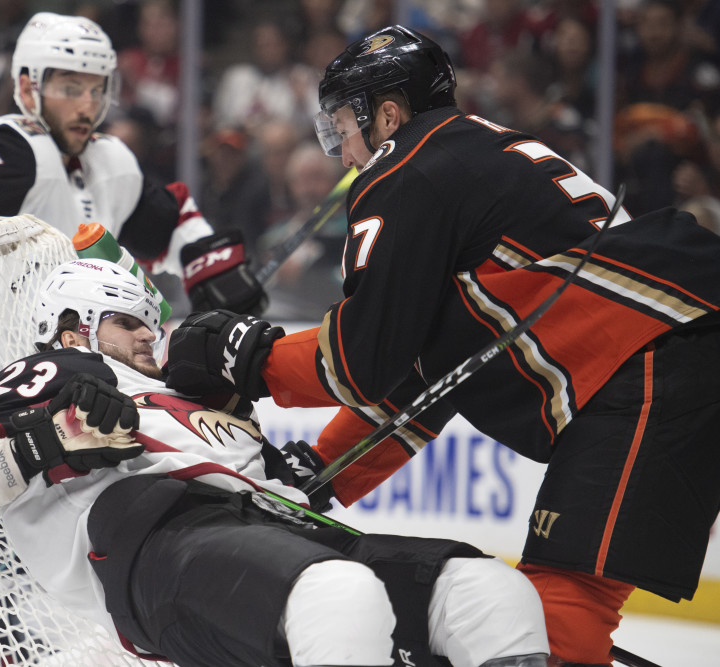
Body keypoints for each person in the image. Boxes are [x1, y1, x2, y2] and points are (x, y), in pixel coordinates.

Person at [164, 26, 720, 667]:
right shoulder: (464, 157)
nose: (342, 151)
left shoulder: (406, 168)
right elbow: (426, 369)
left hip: (660, 357)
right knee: (555, 604)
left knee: (564, 607)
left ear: (388, 115)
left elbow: (360, 358)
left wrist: (246, 357)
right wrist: (325, 471)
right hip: (670, 346)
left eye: (342, 125)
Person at [0, 257, 549, 667]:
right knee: (337, 596)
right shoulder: (58, 369)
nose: (151, 334)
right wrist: (45, 441)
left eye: (153, 322)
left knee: (486, 591)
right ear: (74, 329)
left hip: (274, 537)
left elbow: (273, 490)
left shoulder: (190, 399)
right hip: (152, 545)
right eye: (129, 322)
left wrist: (281, 471)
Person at [0, 11, 266, 317]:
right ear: (27, 88)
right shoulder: (15, 148)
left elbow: (170, 222)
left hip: (67, 376)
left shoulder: (112, 160)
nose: (86, 106)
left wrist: (211, 270)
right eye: (70, 88)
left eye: (95, 89)